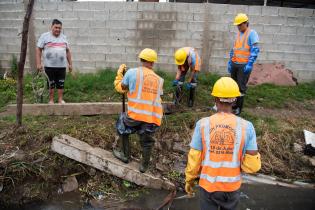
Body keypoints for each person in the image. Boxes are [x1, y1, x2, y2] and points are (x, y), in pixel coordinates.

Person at [185, 77, 261, 210]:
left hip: (208, 186)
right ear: (235, 100)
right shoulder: (246, 126)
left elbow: (194, 158)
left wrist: (190, 180)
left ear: (215, 99)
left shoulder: (202, 124)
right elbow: (252, 167)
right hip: (232, 188)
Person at [113, 48, 164, 173]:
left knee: (122, 125)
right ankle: (143, 166)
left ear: (141, 59)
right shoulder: (159, 79)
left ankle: (125, 155)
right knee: (147, 141)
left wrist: (119, 76)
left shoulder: (132, 72)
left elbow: (122, 88)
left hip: (135, 116)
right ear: (153, 62)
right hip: (153, 118)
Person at [228, 13, 260, 115]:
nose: (238, 27)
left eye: (240, 25)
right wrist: (230, 60)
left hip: (244, 65)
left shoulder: (252, 33)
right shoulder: (238, 33)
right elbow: (234, 48)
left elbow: (255, 49)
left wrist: (250, 63)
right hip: (235, 63)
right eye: (237, 25)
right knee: (233, 85)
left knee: (241, 87)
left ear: (246, 23)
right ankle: (232, 104)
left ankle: (238, 108)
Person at [36, 19, 72, 104]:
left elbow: (67, 51)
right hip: (49, 66)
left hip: (61, 66)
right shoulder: (44, 36)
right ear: (51, 27)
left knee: (61, 84)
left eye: (59, 28)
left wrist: (70, 64)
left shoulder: (64, 37)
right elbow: (38, 50)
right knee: (50, 84)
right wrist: (38, 63)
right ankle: (51, 100)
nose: (58, 30)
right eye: (56, 27)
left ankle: (60, 99)